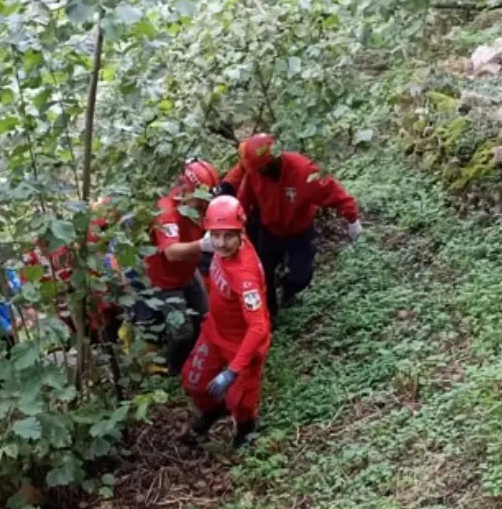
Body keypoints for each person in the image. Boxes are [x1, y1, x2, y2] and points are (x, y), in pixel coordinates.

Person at [219, 134, 363, 322]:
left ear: (274, 160)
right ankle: (270, 315)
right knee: (263, 276)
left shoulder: (303, 171)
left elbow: (333, 192)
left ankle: (288, 289)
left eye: (262, 169)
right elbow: (244, 202)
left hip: (299, 232)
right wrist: (232, 226)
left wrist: (352, 219)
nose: (259, 173)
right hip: (269, 232)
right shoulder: (254, 173)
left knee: (301, 277)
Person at [181, 195, 271, 450]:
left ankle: (245, 429)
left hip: (242, 344)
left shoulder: (245, 276)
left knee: (241, 402)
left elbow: (258, 327)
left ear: (241, 232)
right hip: (215, 331)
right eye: (215, 235)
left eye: (228, 235)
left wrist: (232, 370)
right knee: (194, 381)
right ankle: (212, 412)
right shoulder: (224, 246)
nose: (220, 243)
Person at [131, 158, 220, 375]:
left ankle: (197, 362)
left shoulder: (199, 208)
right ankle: (175, 370)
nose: (204, 205)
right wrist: (203, 245)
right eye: (201, 201)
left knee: (205, 318)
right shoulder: (166, 211)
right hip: (164, 282)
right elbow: (171, 252)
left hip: (188, 273)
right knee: (182, 332)